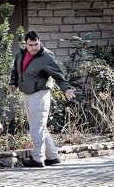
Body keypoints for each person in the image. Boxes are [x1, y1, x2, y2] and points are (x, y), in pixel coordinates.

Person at [9, 30, 75, 167]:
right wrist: (13, 83)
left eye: (36, 44)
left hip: (40, 94)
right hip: (27, 94)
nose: (34, 48)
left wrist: (66, 89)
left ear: (40, 41)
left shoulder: (46, 57)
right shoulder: (21, 54)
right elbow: (15, 70)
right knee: (41, 128)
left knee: (36, 129)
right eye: (31, 45)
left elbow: (58, 75)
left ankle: (38, 159)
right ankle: (53, 156)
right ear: (25, 44)